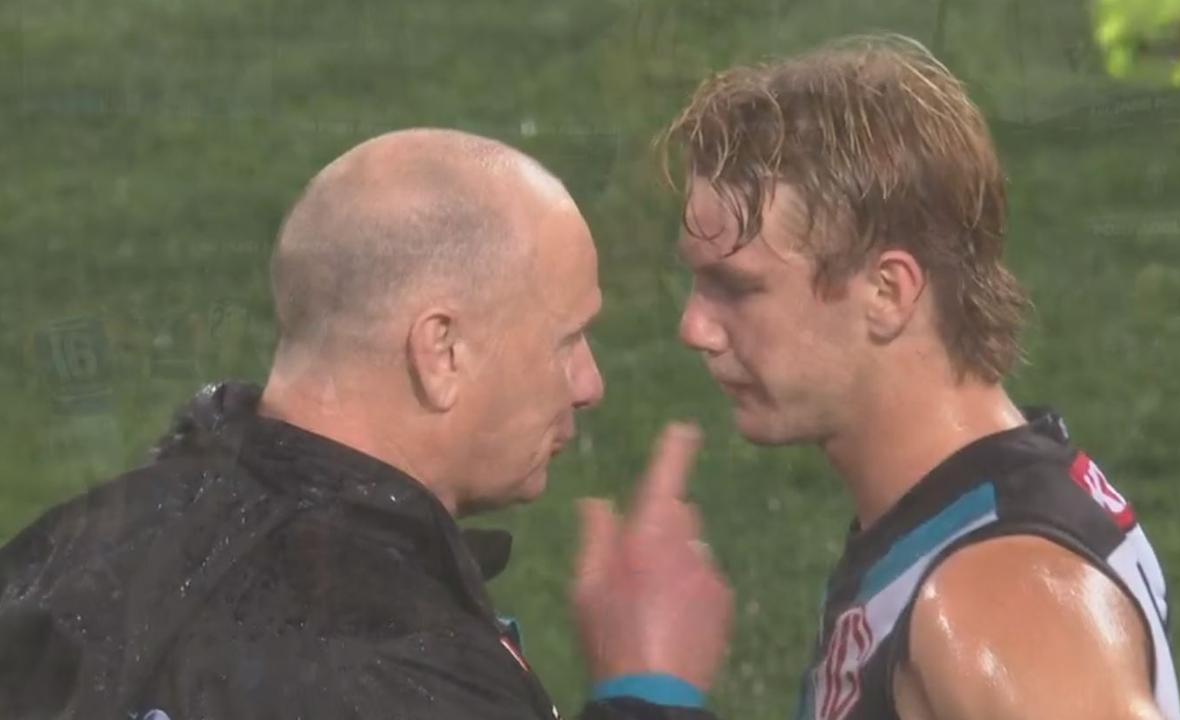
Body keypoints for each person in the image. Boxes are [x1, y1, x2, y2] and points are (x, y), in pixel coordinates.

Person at [0, 128, 731, 719]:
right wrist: (648, 694)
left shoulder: (61, 551)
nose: (590, 384)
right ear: (441, 350)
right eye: (566, 341)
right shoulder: (401, 666)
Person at [642, 34, 1180, 719]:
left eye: (738, 288)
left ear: (888, 293)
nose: (695, 327)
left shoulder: (1002, 600)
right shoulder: (961, 523)